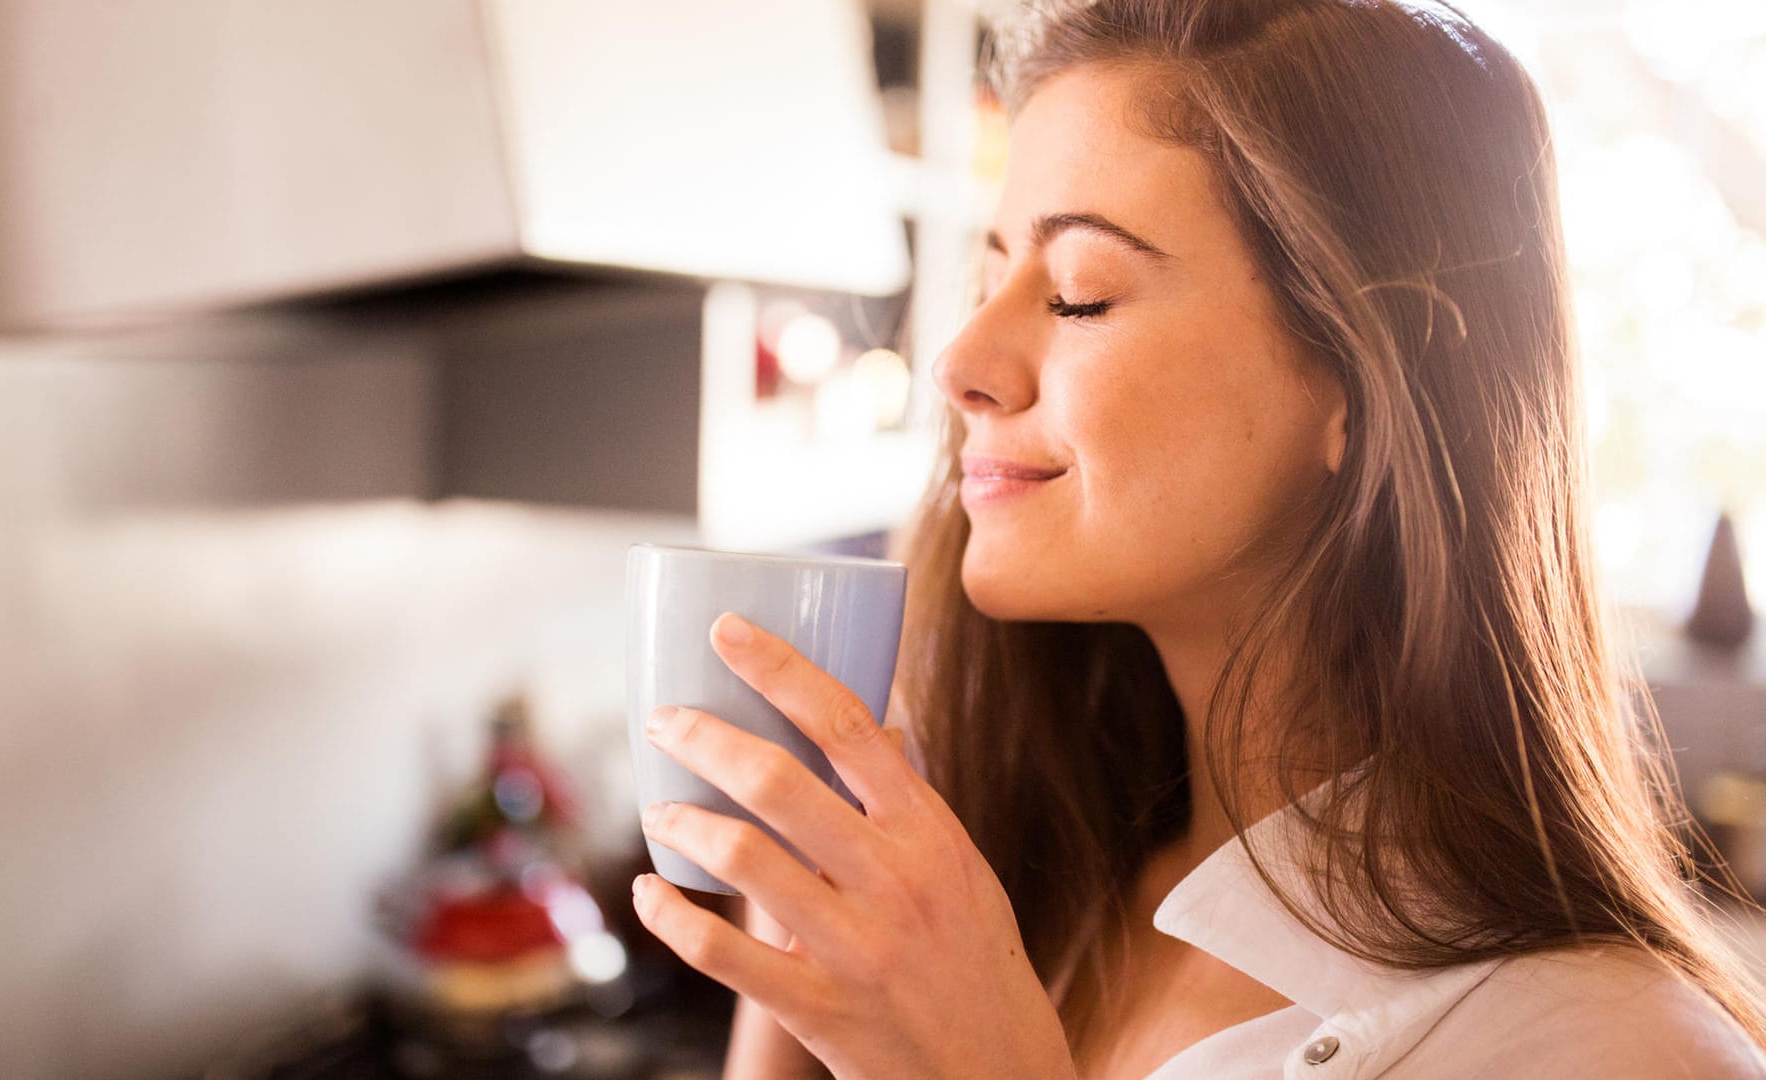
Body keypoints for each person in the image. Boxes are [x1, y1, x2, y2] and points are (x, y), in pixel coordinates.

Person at [627, 1, 1766, 1076]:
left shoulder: (1616, 1048)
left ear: (1364, 381)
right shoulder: (1023, 898)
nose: (962, 361)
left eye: (1078, 293)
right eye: (987, 273)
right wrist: (787, 976)